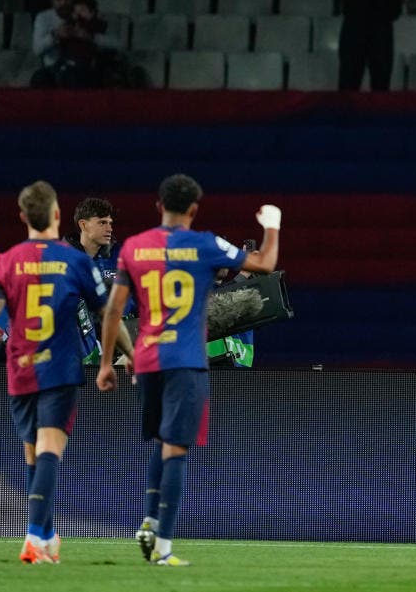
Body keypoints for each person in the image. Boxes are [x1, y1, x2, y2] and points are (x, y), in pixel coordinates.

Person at [98, 174, 281, 567]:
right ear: (194, 209)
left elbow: (113, 310)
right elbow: (265, 263)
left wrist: (105, 362)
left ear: (158, 205)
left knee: (161, 440)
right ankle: (163, 548)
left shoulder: (133, 247)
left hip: (146, 360)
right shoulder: (205, 245)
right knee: (177, 451)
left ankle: (148, 519)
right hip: (186, 362)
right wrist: (272, 225)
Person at [0, 181, 113, 565]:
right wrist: (126, 357)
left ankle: (47, 535)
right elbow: (108, 315)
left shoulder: (7, 261)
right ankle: (35, 537)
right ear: (56, 216)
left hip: (20, 370)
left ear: (22, 217)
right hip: (61, 369)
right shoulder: (75, 262)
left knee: (34, 459)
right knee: (49, 453)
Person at [71, 197, 121, 368]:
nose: (109, 229)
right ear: (83, 225)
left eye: (110, 223)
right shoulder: (59, 260)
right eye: (102, 223)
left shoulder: (121, 258)